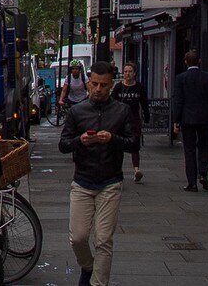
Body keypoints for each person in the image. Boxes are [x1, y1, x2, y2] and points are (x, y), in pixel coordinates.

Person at [58, 61, 140, 286]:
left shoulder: (121, 111)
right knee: (78, 238)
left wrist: (113, 139)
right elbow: (63, 144)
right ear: (88, 83)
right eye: (94, 84)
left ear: (111, 84)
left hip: (110, 182)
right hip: (82, 181)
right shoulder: (77, 111)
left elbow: (134, 144)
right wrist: (79, 141)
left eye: (103, 85)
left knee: (103, 239)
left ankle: (97, 283)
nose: (98, 89)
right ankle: (87, 266)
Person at [172, 49, 208, 192]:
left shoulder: (181, 78)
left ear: (186, 62)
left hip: (188, 119)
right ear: (199, 61)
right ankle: (203, 173)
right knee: (204, 146)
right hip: (205, 118)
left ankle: (192, 183)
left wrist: (177, 121)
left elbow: (178, 101)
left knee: (189, 150)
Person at [113, 62, 150, 184]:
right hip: (120, 120)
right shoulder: (118, 87)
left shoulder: (139, 87)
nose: (127, 74)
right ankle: (118, 171)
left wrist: (147, 115)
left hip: (134, 120)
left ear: (134, 73)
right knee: (119, 146)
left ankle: (136, 170)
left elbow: (144, 103)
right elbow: (112, 103)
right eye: (125, 71)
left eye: (130, 71)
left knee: (135, 145)